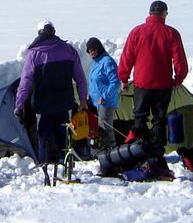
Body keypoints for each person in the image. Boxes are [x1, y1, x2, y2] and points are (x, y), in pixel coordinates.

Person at [117, 0, 188, 155]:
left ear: (149, 14)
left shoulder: (136, 32)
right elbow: (179, 59)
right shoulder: (171, 33)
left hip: (141, 83)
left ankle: (138, 149)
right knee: (159, 118)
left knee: (140, 117)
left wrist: (123, 77)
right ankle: (157, 150)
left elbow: (127, 57)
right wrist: (178, 78)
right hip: (163, 84)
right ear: (163, 13)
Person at [14, 20, 89, 165]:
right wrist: (83, 100)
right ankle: (62, 160)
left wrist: (19, 104)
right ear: (54, 32)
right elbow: (80, 78)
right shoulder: (68, 50)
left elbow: (25, 81)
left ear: (39, 33)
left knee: (44, 135)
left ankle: (45, 162)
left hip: (43, 104)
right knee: (62, 131)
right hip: (64, 102)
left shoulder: (34, 54)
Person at [85, 37, 120, 144]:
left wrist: (105, 96)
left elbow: (115, 82)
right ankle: (104, 151)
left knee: (106, 129)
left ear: (99, 48)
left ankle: (111, 151)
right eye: (90, 51)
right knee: (100, 129)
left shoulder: (107, 61)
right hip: (96, 102)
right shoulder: (96, 62)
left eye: (93, 50)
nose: (92, 53)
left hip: (106, 102)